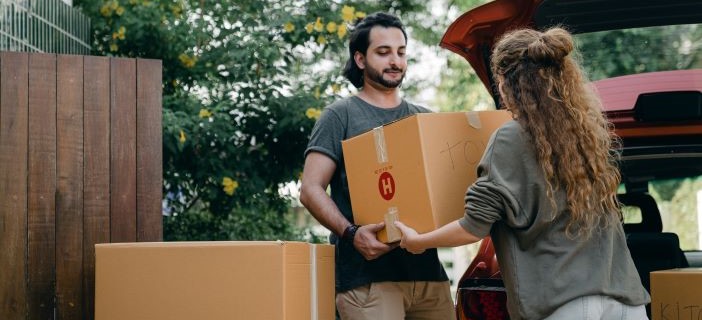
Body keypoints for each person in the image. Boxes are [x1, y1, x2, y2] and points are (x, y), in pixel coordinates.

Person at [394, 27, 651, 320]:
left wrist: (418, 241)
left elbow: (473, 227)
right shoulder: (587, 133)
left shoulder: (510, 138)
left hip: (565, 303)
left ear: (505, 84)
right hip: (627, 302)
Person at [299, 12, 455, 320]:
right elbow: (310, 189)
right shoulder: (340, 115)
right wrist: (352, 233)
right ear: (360, 59)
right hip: (367, 281)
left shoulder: (425, 118)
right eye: (383, 52)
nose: (395, 61)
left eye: (400, 52)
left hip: (428, 277)